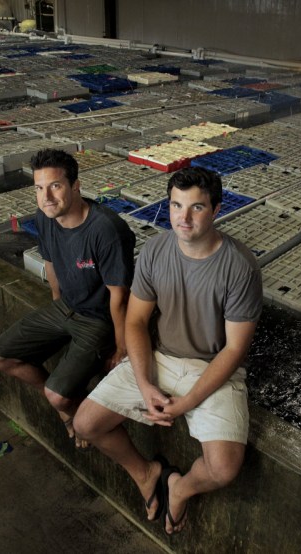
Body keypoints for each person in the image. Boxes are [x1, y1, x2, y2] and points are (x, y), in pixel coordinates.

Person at [74, 166, 262, 533]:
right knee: (85, 422)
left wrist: (188, 401)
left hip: (213, 367)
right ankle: (145, 473)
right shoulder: (156, 250)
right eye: (176, 206)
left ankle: (180, 487)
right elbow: (135, 322)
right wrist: (145, 384)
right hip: (161, 357)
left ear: (217, 210)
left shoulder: (240, 267)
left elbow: (235, 349)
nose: (183, 218)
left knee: (224, 468)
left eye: (196, 208)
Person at [0, 148, 135, 448]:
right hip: (65, 308)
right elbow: (51, 263)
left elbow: (119, 296)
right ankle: (70, 405)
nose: (47, 197)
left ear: (75, 186)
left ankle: (66, 407)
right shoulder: (45, 217)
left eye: (55, 186)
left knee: (56, 393)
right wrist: (56, 304)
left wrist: (121, 348)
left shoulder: (106, 230)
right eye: (39, 188)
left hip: (98, 319)